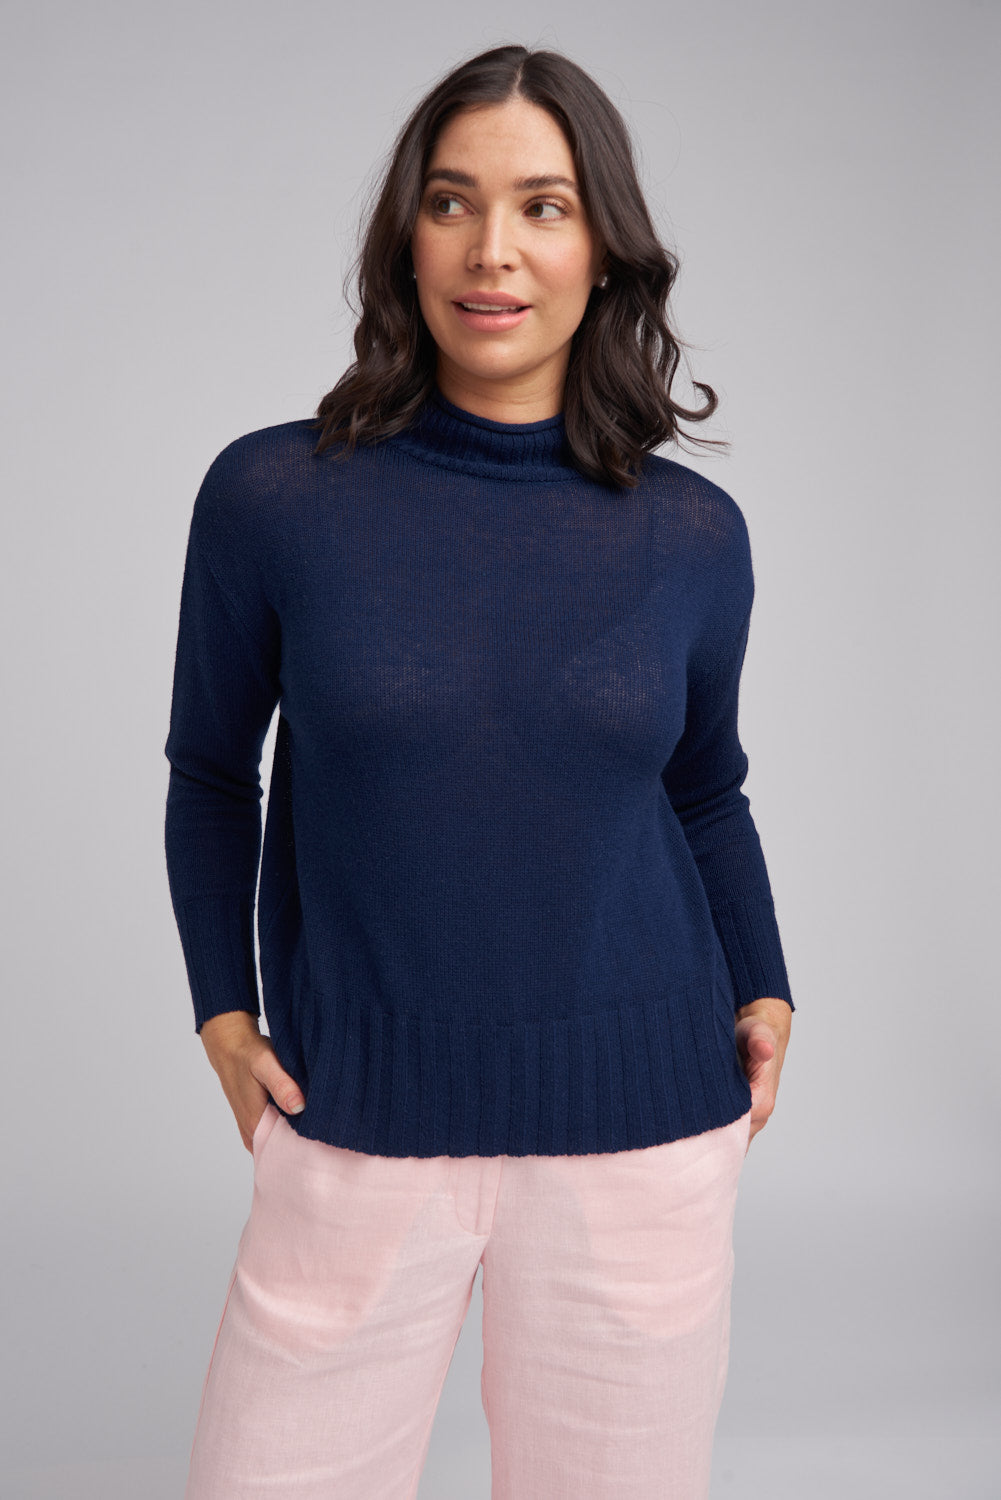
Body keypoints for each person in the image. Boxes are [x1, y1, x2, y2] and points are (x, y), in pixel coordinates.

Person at [164, 42, 794, 1500]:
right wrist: (221, 1009)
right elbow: (209, 771)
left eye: (542, 206)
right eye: (451, 202)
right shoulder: (274, 497)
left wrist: (764, 982)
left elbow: (703, 789)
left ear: (603, 247)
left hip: (645, 1126)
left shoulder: (691, 535)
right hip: (357, 1114)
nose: (490, 249)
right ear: (406, 234)